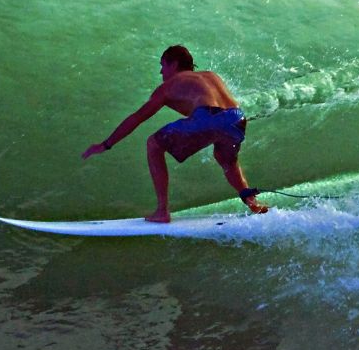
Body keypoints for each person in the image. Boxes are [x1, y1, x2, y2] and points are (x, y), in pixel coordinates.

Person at [82, 45, 269, 223]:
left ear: (174, 64)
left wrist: (106, 144)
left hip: (208, 116)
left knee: (154, 144)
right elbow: (220, 111)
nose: (161, 72)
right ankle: (253, 204)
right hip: (237, 118)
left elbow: (137, 118)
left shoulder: (168, 86)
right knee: (226, 160)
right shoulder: (211, 76)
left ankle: (162, 211)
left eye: (162, 65)